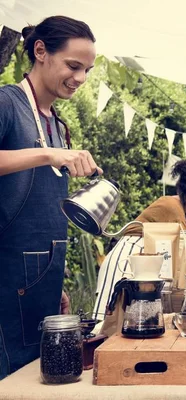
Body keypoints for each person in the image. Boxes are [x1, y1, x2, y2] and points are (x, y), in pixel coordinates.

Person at [0, 15, 102, 379]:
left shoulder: (57, 125)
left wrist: (54, 279)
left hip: (43, 278)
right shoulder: (7, 103)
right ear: (40, 51)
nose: (81, 79)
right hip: (8, 278)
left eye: (87, 70)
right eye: (73, 66)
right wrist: (48, 155)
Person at [93, 160, 186, 320]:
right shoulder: (171, 206)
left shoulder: (184, 215)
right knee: (104, 320)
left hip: (140, 263)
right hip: (126, 260)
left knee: (122, 321)